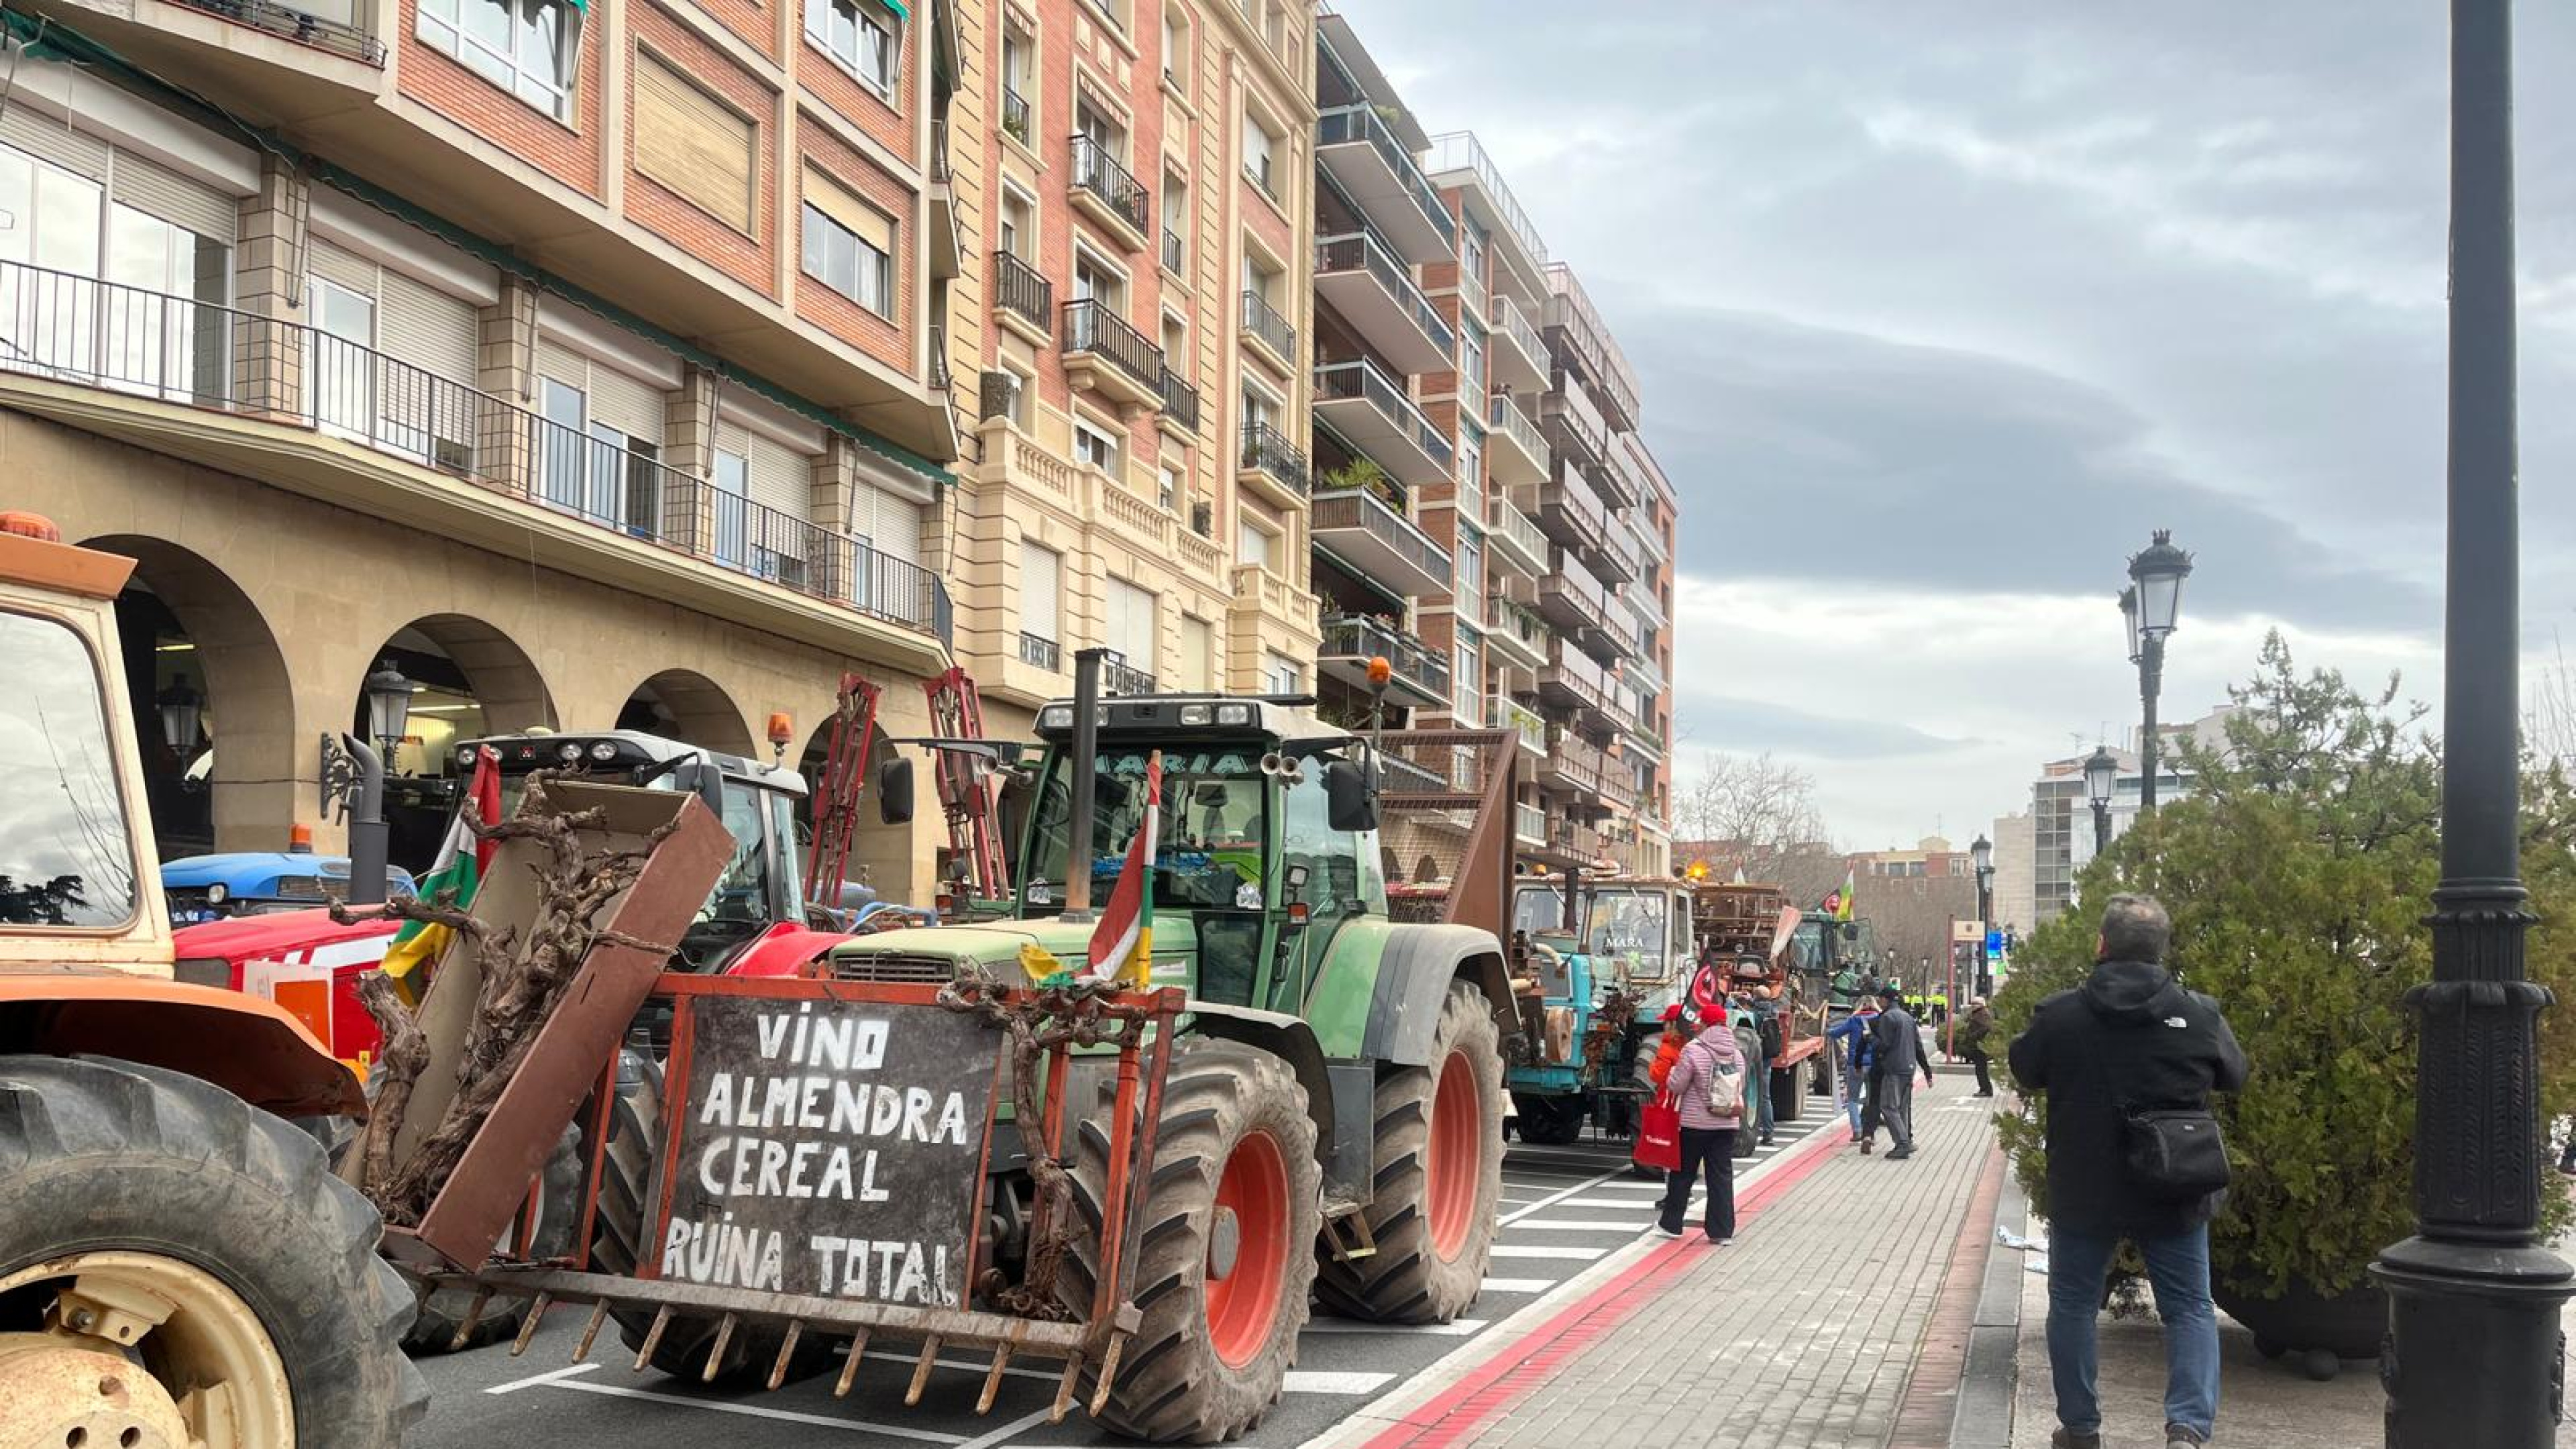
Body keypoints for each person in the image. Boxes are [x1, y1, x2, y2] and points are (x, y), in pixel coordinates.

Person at [2008, 894, 2248, 1449]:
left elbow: (2025, 1067)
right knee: (2189, 1306)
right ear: (2163, 950)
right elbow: (2235, 1076)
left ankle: (2080, 1427)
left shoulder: (2061, 1014)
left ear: (2101, 946)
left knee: (2071, 1304)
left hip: (2083, 1188)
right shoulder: (2200, 1015)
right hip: (2174, 1185)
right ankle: (2187, 1430)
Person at [1656, 1000, 1743, 1243]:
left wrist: (1674, 1073)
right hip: (1726, 1124)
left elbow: (1676, 1084)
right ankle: (1721, 1231)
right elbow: (1740, 1086)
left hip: (1695, 1124)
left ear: (1704, 1023)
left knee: (1682, 1174)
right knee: (1721, 1178)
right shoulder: (1737, 1053)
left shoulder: (1694, 1050)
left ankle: (1672, 1225)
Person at [1868, 985, 1931, 1159]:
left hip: (1893, 1068)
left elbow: (1884, 1045)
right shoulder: (1908, 1018)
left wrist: (1871, 1038)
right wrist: (1927, 1070)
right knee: (1902, 1108)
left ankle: (1902, 1143)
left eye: (1880, 998)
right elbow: (1918, 1046)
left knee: (1888, 1106)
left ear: (1885, 1000)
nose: (1879, 1001)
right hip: (1908, 1068)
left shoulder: (1887, 1018)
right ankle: (1906, 1141)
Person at [1827, 992, 1881, 1147]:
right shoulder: (1880, 1019)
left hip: (1855, 1064)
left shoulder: (1853, 1020)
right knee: (1872, 1100)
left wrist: (1827, 1032)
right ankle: (1869, 1133)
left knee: (1853, 1099)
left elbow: (1836, 1033)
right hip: (1873, 1064)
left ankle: (1857, 1130)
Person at [1960, 996, 1998, 1096]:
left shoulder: (1983, 1014)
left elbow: (1986, 1028)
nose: (1973, 1006)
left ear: (1981, 1005)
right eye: (1972, 1004)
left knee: (1981, 1070)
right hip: (1977, 1046)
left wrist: (1974, 1036)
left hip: (1981, 1046)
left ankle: (1986, 1090)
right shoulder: (1978, 1013)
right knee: (1979, 1069)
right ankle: (1983, 1089)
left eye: (1975, 1004)